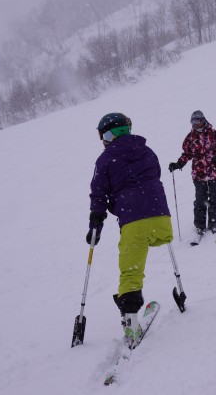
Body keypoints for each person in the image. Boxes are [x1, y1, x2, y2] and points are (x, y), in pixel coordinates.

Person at [87, 113, 173, 348]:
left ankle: (131, 323)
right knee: (151, 239)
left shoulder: (105, 159)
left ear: (108, 134)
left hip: (133, 220)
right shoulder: (147, 151)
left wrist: (96, 224)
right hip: (161, 218)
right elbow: (155, 175)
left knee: (130, 272)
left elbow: (98, 194)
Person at [168, 110, 216, 237]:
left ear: (203, 120)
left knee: (215, 200)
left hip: (214, 172)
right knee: (200, 201)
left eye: (197, 121)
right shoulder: (190, 137)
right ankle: (200, 226)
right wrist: (179, 164)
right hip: (199, 174)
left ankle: (213, 223)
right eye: (192, 122)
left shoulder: (213, 134)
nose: (194, 124)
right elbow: (187, 154)